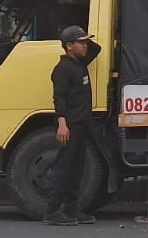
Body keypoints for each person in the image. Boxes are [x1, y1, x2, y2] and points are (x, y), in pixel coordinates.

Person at [45, 25, 103, 226]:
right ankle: (52, 212)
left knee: (77, 169)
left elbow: (97, 49)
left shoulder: (79, 62)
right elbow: (58, 98)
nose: (86, 46)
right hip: (68, 126)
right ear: (69, 46)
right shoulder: (62, 69)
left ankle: (71, 211)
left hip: (81, 125)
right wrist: (62, 124)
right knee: (64, 168)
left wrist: (85, 37)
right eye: (81, 42)